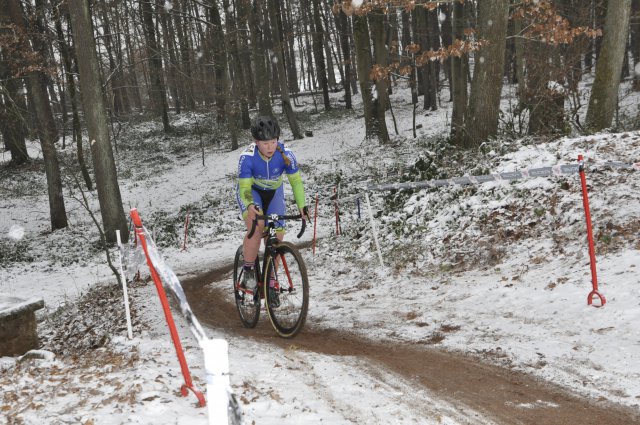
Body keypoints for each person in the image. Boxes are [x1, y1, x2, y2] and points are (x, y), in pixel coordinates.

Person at [236, 116, 308, 293]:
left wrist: (302, 206)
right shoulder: (247, 158)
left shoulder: (286, 154)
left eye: (273, 142)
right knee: (257, 226)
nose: (270, 147)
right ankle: (248, 270)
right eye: (265, 143)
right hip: (252, 193)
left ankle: (271, 280)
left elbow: (296, 182)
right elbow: (244, 188)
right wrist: (250, 204)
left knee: (277, 236)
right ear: (256, 142)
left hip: (274, 194)